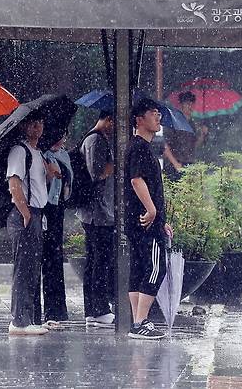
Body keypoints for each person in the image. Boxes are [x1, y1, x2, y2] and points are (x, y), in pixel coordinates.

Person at [6, 112, 59, 335]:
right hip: (25, 215)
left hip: (38, 213)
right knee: (24, 269)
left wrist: (49, 175)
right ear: (24, 127)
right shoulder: (20, 151)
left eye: (41, 123)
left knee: (32, 267)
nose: (38, 128)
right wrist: (25, 213)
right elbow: (14, 183)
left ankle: (29, 317)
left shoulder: (38, 153)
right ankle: (19, 321)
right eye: (33, 124)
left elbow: (37, 185)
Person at [125, 97, 173, 340]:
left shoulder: (139, 147)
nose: (158, 117)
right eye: (153, 113)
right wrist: (153, 210)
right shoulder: (140, 148)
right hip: (145, 219)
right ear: (139, 119)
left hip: (138, 219)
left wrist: (160, 217)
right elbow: (136, 180)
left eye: (158, 113)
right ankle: (142, 321)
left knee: (139, 268)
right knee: (156, 268)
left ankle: (136, 322)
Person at [77, 110, 116, 328]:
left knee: (96, 260)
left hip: (100, 212)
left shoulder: (99, 140)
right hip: (96, 214)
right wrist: (116, 164)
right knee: (99, 261)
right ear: (108, 119)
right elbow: (96, 173)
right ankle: (98, 308)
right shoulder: (94, 140)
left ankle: (94, 310)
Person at [32, 130, 72, 327]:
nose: (60, 139)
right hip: (42, 207)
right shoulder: (39, 154)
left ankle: (55, 310)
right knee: (37, 259)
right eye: (57, 135)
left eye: (63, 135)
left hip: (57, 210)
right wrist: (48, 175)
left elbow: (67, 181)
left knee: (54, 258)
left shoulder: (63, 154)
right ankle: (33, 312)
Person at [163, 91, 208, 181]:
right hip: (174, 165)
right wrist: (175, 163)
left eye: (192, 104)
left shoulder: (192, 124)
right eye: (187, 104)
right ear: (181, 105)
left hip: (189, 164)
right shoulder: (174, 121)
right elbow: (165, 146)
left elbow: (193, 146)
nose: (190, 107)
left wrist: (202, 135)